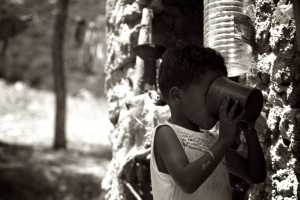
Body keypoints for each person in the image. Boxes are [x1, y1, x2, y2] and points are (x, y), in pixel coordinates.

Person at [150, 44, 266, 200]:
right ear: (177, 96)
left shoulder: (211, 141)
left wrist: (249, 130)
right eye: (209, 95)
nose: (216, 104)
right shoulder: (166, 134)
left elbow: (255, 175)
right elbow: (187, 181)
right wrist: (224, 141)